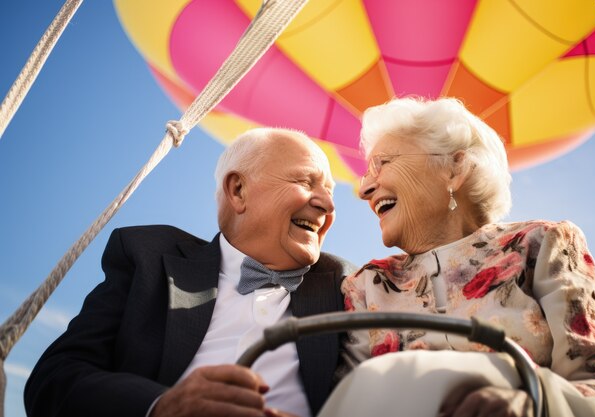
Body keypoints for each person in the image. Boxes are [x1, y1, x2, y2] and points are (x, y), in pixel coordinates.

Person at [24, 128, 356, 417]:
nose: (327, 205)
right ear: (238, 190)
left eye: (330, 191)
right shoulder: (148, 257)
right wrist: (161, 406)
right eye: (304, 181)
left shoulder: (352, 283)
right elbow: (55, 380)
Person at [323, 97, 595, 417]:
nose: (364, 187)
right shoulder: (365, 286)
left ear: (454, 169)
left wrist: (533, 404)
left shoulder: (540, 244)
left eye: (383, 162)